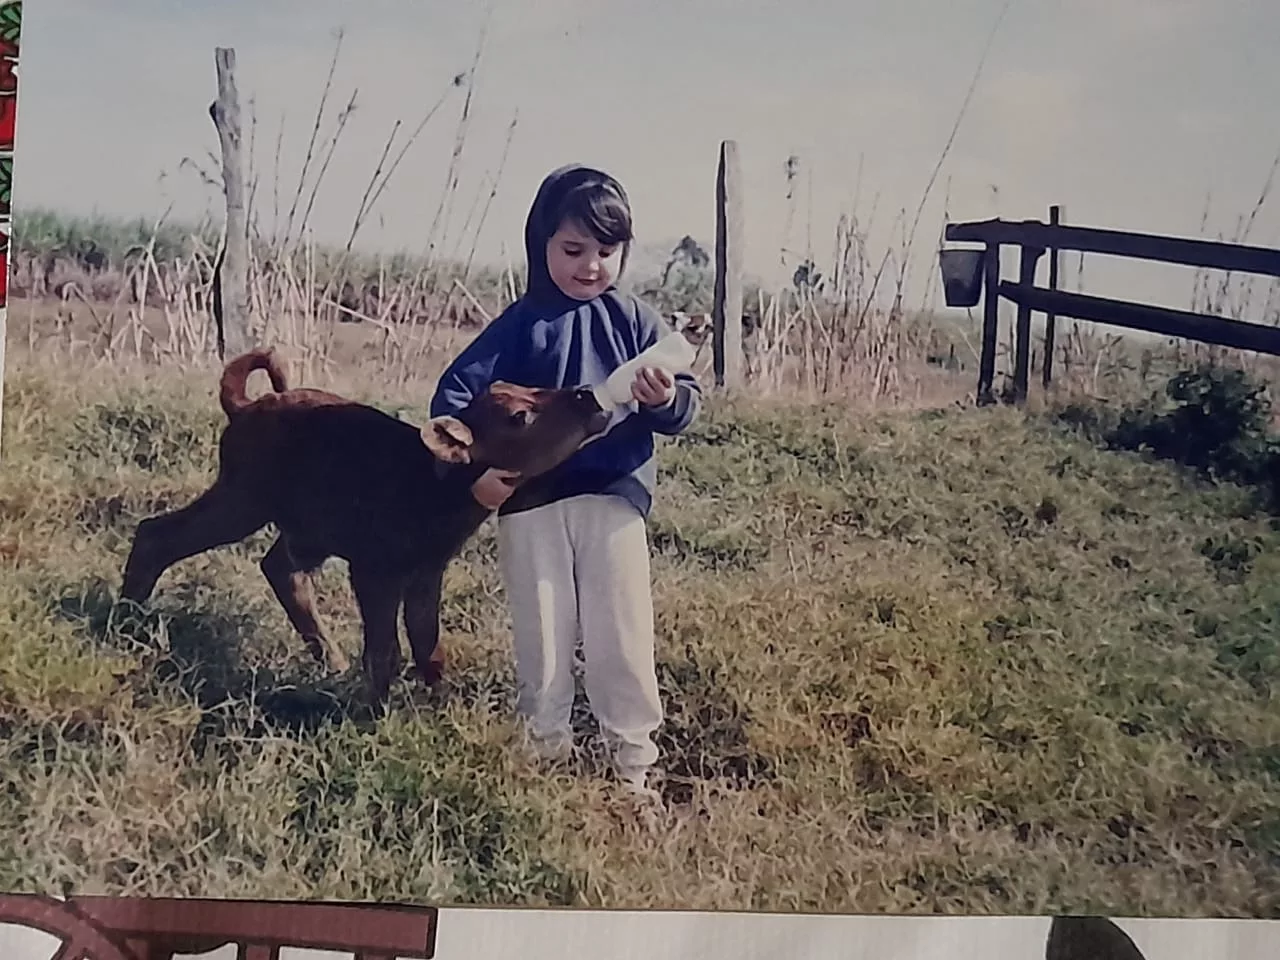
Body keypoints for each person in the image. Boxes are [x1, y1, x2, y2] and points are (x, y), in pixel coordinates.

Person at [429, 163, 702, 799]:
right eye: (573, 250)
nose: (590, 266)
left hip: (614, 495)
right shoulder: (521, 325)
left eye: (607, 251)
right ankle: (544, 758)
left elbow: (685, 405)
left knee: (622, 633)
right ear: (540, 244)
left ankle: (633, 769)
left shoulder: (634, 321)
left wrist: (662, 401)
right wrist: (479, 476)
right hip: (531, 503)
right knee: (543, 633)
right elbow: (453, 401)